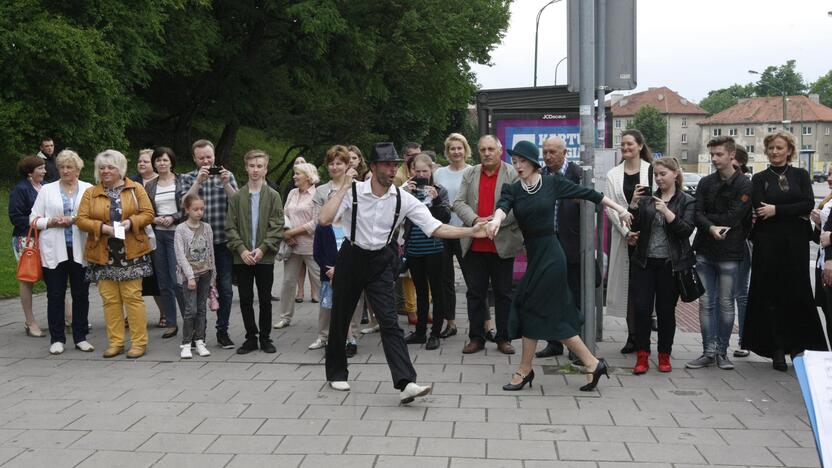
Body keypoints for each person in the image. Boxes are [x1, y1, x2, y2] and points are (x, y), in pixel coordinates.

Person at [319, 142, 488, 403]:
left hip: (381, 261)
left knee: (389, 322)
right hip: (352, 257)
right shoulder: (353, 192)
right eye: (387, 164)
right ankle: (336, 372)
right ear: (373, 167)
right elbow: (324, 219)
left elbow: (435, 227)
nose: (392, 169)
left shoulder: (402, 197)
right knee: (340, 319)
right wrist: (343, 187)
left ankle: (406, 381)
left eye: (395, 165)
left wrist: (470, 231)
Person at [485, 141, 630, 391]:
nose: (518, 166)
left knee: (533, 308)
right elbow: (502, 208)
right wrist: (495, 222)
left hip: (552, 255)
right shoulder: (513, 190)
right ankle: (592, 363)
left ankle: (524, 370)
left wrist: (620, 209)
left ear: (532, 163)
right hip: (535, 255)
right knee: (544, 312)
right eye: (515, 162)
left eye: (522, 161)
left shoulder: (552, 183)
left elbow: (590, 194)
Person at [745, 131, 829, 371]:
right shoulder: (759, 178)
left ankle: (798, 346)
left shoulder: (801, 175)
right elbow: (760, 208)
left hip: (795, 244)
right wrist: (785, 210)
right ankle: (777, 348)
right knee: (771, 294)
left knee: (796, 293)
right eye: (771, 148)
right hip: (767, 243)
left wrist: (777, 210)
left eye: (779, 148)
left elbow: (807, 203)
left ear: (789, 150)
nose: (775, 152)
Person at [76, 150, 155, 359]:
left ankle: (139, 343)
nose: (105, 171)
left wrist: (131, 222)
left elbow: (148, 214)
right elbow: (81, 220)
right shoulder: (91, 193)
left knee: (133, 298)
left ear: (120, 169)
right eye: (101, 167)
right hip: (103, 253)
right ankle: (116, 343)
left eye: (110, 167)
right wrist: (102, 228)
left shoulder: (135, 188)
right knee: (110, 300)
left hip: (132, 252)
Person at [453, 135, 522, 355]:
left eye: (491, 148)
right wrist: (474, 221)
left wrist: (495, 221)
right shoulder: (470, 173)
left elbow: (518, 205)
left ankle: (504, 338)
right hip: (475, 244)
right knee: (475, 293)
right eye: (482, 149)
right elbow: (458, 203)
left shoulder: (512, 173)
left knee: (503, 293)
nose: (487, 153)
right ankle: (476, 338)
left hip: (502, 243)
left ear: (500, 150)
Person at [687, 137, 752, 371]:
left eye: (719, 154)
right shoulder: (705, 182)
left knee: (726, 303)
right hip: (705, 249)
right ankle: (708, 351)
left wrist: (710, 222)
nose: (714, 158)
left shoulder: (744, 184)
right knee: (706, 303)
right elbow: (696, 213)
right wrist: (711, 227)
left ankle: (722, 351)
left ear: (731, 155)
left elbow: (735, 217)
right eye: (712, 154)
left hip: (731, 252)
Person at [628, 157, 696, 374]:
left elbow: (686, 230)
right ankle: (642, 355)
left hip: (670, 265)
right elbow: (636, 226)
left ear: (675, 174)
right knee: (642, 309)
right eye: (656, 175)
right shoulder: (648, 200)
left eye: (663, 174)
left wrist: (667, 213)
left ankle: (664, 354)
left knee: (666, 311)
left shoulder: (686, 201)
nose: (659, 178)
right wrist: (633, 206)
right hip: (644, 262)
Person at [29, 150, 94, 354]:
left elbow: (95, 216)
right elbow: (33, 220)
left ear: (78, 169)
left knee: (81, 294)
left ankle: (80, 336)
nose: (65, 171)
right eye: (61, 167)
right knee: (55, 294)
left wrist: (74, 219)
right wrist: (51, 221)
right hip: (54, 250)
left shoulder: (88, 189)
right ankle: (57, 338)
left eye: (69, 167)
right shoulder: (47, 190)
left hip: (80, 249)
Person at [179, 139, 238, 349]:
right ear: (195, 158)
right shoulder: (187, 178)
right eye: (202, 157)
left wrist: (226, 183)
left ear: (215, 156)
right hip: (196, 244)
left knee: (225, 289)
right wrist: (198, 182)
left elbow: (238, 203)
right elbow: (183, 204)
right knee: (198, 291)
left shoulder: (227, 175)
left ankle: (223, 331)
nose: (206, 161)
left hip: (222, 241)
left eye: (209, 157)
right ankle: (198, 334)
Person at [226, 150, 284, 354]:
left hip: (264, 257)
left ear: (266, 168)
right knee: (245, 298)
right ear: (246, 167)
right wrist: (241, 250)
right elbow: (230, 227)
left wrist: (262, 248)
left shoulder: (274, 196)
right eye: (252, 165)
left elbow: (277, 226)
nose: (255, 170)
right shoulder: (237, 196)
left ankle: (266, 337)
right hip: (242, 258)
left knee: (265, 298)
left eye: (260, 166)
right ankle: (251, 337)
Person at [536, 136, 585, 359]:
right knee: (548, 295)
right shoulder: (541, 175)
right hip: (546, 245)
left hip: (571, 245)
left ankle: (576, 348)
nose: (547, 157)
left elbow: (592, 208)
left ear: (565, 152)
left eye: (552, 152)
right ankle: (553, 342)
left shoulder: (578, 175)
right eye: (545, 152)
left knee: (573, 297)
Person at [605, 129, 653, 354]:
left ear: (640, 146)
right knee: (628, 289)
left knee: (645, 289)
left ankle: (645, 335)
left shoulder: (651, 170)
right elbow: (610, 207)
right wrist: (626, 233)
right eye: (622, 145)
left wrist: (641, 230)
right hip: (624, 238)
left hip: (649, 238)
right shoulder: (613, 174)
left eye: (629, 144)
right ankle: (632, 336)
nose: (625, 148)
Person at [311, 146, 363, 355]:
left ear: (347, 165)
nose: (335, 167)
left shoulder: (359, 187)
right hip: (329, 244)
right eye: (331, 163)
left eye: (339, 163)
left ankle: (353, 336)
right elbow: (320, 219)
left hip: (352, 244)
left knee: (354, 294)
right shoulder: (322, 190)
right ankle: (326, 335)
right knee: (328, 296)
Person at [402, 153, 451, 350]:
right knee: (420, 291)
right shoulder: (406, 191)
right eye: (417, 171)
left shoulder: (440, 191)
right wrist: (405, 192)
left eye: (425, 171)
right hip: (414, 249)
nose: (421, 174)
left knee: (437, 292)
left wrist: (436, 200)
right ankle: (420, 331)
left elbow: (445, 218)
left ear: (432, 171)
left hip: (435, 249)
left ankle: (435, 333)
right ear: (412, 171)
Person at [432, 133, 473, 338]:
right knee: (445, 280)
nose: (456, 152)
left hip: (467, 232)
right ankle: (451, 323)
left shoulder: (473, 171)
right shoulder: (439, 173)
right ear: (447, 152)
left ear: (466, 150)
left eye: (459, 148)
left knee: (474, 280)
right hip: (444, 232)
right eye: (452, 148)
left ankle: (483, 325)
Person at [144, 147, 186, 338]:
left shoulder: (181, 181)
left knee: (177, 280)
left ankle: (189, 320)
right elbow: (146, 210)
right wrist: (154, 219)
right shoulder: (150, 186)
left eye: (165, 160)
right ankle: (170, 322)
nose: (161, 163)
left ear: (171, 162)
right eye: (158, 160)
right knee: (163, 282)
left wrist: (173, 217)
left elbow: (189, 206)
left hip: (176, 233)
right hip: (157, 235)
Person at [274, 162, 321, 328]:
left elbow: (316, 222)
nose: (294, 176)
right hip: (292, 247)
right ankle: (285, 317)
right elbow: (283, 214)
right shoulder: (293, 193)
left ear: (308, 177)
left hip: (311, 247)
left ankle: (329, 317)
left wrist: (292, 233)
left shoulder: (317, 194)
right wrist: (286, 233)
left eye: (297, 174)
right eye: (294, 173)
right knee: (287, 282)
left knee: (320, 283)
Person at [9, 155, 49, 337]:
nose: (44, 171)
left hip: (46, 238)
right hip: (26, 239)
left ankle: (69, 318)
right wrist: (39, 222)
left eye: (43, 168)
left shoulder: (46, 187)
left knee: (54, 274)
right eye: (40, 168)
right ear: (29, 172)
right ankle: (30, 321)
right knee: (28, 278)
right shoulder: (20, 190)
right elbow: (16, 217)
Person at [174, 193, 214, 359]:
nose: (199, 212)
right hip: (189, 276)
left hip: (205, 273)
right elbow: (180, 254)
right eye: (195, 209)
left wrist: (213, 276)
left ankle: (200, 341)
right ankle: (186, 343)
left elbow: (211, 252)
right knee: (191, 309)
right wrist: (190, 276)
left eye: (201, 209)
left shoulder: (207, 228)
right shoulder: (181, 229)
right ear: (187, 210)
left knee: (202, 308)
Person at [394, 143, 422, 318]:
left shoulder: (422, 173)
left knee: (414, 274)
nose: (415, 158)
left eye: (418, 155)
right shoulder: (399, 177)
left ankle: (414, 307)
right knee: (404, 273)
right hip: (401, 231)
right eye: (412, 156)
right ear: (405, 157)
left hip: (418, 229)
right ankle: (406, 307)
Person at [731, 146, 753, 358]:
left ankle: (744, 339)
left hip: (742, 243)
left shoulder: (747, 183)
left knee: (740, 292)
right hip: (720, 244)